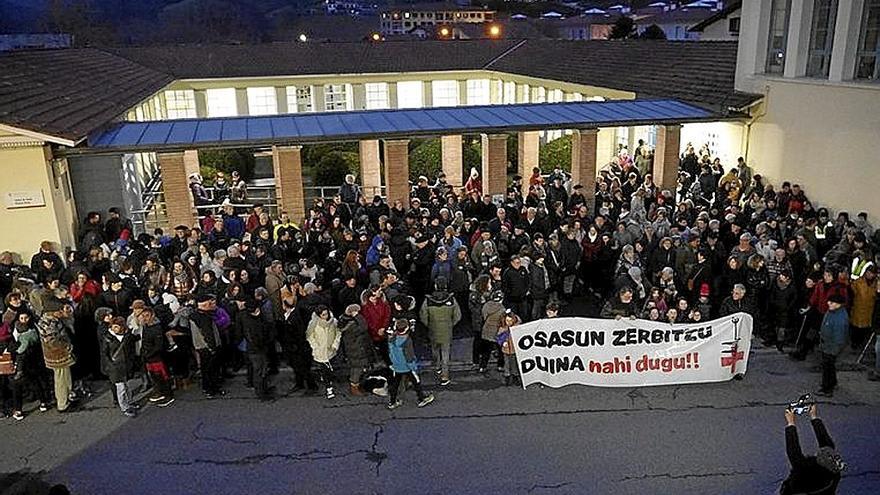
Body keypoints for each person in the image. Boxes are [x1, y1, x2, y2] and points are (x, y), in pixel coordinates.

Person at [780, 404, 843, 494]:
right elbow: (825, 442)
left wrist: (791, 422)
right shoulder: (834, 471)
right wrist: (814, 416)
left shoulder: (806, 471)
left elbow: (793, 452)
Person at [419, 277, 461, 386]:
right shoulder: (451, 300)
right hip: (447, 330)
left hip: (433, 329)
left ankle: (437, 366)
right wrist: (450, 324)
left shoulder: (428, 301)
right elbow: (458, 316)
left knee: (434, 348)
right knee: (446, 353)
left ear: (435, 286)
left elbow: (423, 316)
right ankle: (444, 375)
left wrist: (429, 325)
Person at [386, 318, 434, 410]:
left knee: (395, 384)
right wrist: (413, 367)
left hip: (396, 366)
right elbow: (409, 357)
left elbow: (390, 353)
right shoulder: (407, 341)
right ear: (407, 328)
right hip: (407, 367)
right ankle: (421, 398)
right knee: (416, 382)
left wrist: (393, 364)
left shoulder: (391, 339)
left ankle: (392, 402)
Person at [99, 316, 139, 417]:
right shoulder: (107, 338)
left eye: (117, 327)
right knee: (120, 388)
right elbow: (104, 354)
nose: (114, 329)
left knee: (126, 386)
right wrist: (110, 366)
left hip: (125, 365)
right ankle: (124, 407)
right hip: (115, 368)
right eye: (113, 326)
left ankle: (129, 401)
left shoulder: (127, 335)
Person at [138, 307, 175, 407]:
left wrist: (149, 354)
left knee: (163, 376)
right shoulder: (145, 327)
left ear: (152, 316)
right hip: (148, 357)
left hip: (157, 357)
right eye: (143, 316)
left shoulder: (157, 328)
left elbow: (159, 346)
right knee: (154, 376)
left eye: (147, 316)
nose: (145, 318)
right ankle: (160, 392)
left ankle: (168, 395)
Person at [239, 299, 275, 401]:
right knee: (260, 371)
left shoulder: (246, 317)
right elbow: (259, 336)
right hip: (257, 349)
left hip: (255, 349)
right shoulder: (254, 322)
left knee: (261, 370)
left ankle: (263, 389)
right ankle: (261, 393)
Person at [306, 305, 340, 400]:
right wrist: (315, 346)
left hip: (330, 349)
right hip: (320, 350)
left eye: (327, 313)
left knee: (329, 367)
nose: (326, 316)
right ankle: (329, 387)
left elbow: (338, 333)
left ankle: (326, 379)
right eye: (323, 315)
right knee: (326, 370)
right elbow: (310, 336)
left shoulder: (333, 321)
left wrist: (335, 345)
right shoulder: (313, 323)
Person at [816, 294, 848, 397]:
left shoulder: (840, 318)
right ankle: (833, 383)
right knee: (830, 366)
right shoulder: (832, 311)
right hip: (827, 344)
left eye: (832, 302)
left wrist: (833, 350)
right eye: (829, 301)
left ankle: (827, 388)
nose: (828, 303)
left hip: (831, 347)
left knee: (827, 367)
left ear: (839, 304)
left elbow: (839, 338)